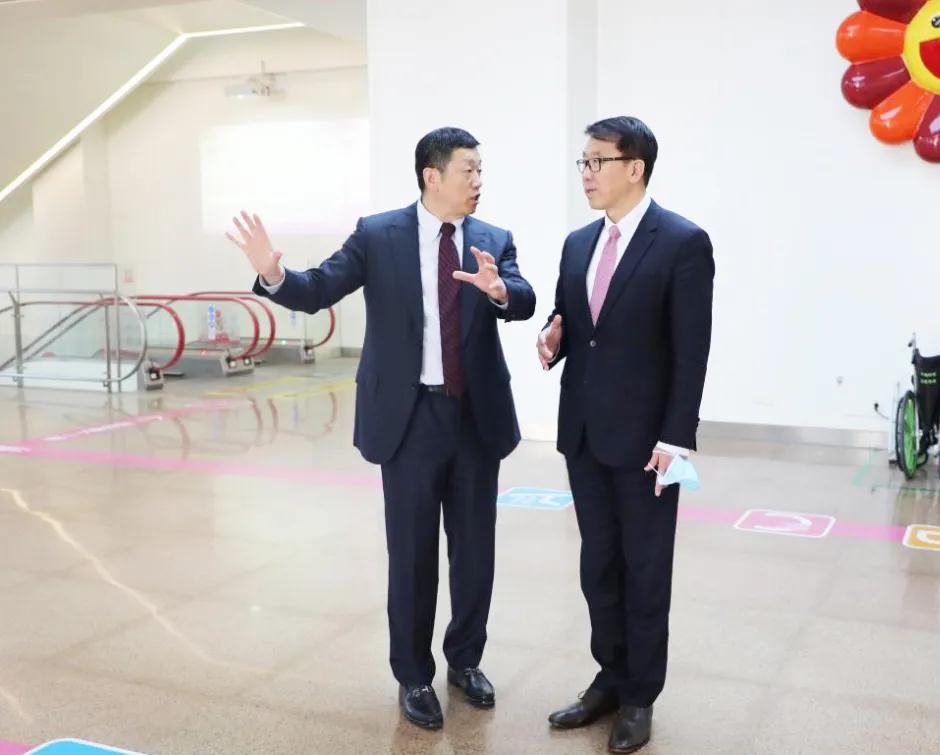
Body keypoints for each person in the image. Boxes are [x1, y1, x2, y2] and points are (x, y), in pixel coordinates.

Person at [227, 126, 536, 731]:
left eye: (481, 171)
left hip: (475, 418)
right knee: (413, 554)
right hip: (409, 418)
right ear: (432, 176)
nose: (478, 181)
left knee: (475, 552)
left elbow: (522, 298)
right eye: (468, 170)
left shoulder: (493, 239)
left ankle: (465, 661)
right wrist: (274, 275)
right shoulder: (378, 234)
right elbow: (319, 288)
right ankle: (413, 675)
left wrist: (500, 289)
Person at [538, 116, 714, 754]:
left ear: (634, 168)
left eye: (597, 162)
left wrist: (676, 438)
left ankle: (640, 696)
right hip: (585, 434)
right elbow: (576, 320)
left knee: (644, 570)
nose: (586, 174)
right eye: (582, 163)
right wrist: (554, 337)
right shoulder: (577, 243)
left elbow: (691, 351)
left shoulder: (682, 242)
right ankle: (609, 677)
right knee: (599, 567)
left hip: (647, 444)